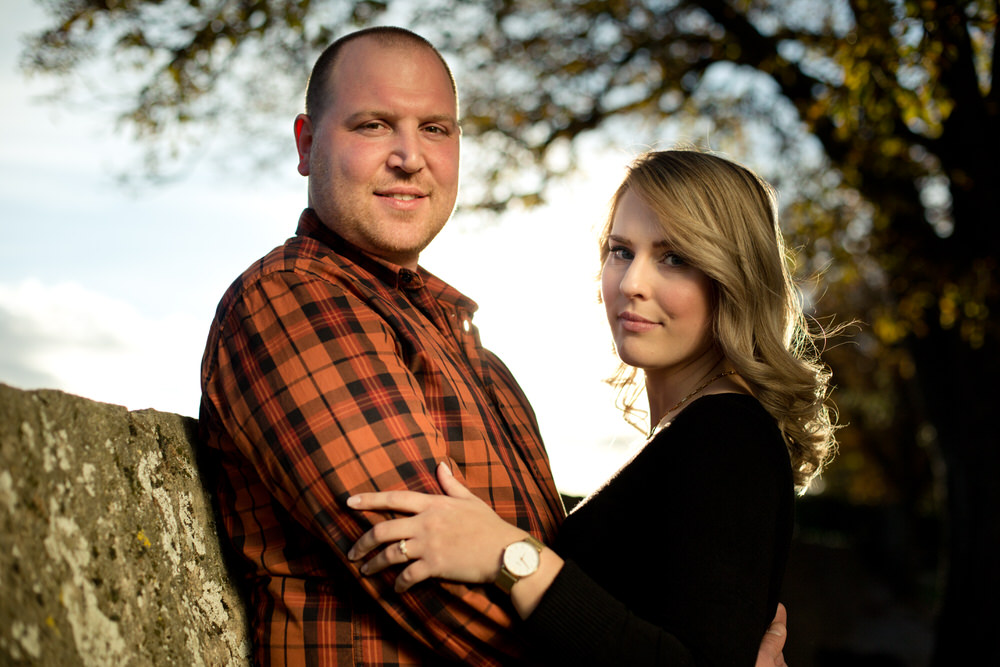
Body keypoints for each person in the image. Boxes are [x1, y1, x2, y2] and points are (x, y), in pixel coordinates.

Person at [199, 25, 790, 665]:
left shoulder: (484, 366)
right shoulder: (296, 299)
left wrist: (519, 564)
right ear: (308, 143)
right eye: (373, 125)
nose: (408, 156)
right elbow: (437, 592)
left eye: (435, 128)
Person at [347, 149, 838, 665]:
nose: (631, 284)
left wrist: (508, 556)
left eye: (674, 258)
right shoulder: (695, 431)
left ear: (731, 278)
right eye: (621, 251)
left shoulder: (728, 434)